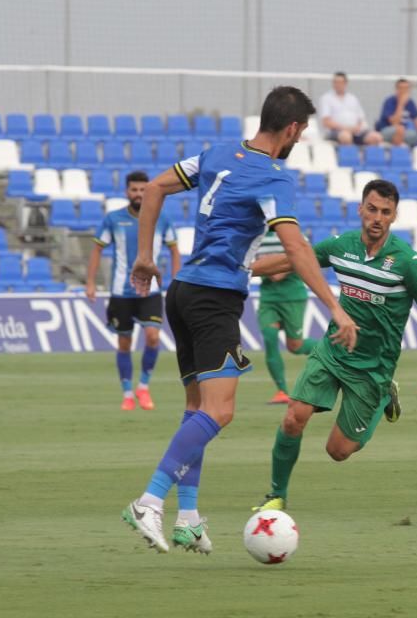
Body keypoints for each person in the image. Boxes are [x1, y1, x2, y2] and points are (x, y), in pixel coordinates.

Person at [120, 86, 358, 555]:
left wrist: (145, 257)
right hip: (214, 299)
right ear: (291, 129)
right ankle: (148, 501)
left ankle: (187, 517)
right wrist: (334, 306)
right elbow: (294, 247)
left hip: (183, 292)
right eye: (302, 131)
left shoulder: (216, 153)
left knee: (197, 410)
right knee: (220, 411)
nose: (299, 139)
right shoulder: (273, 177)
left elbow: (154, 190)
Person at [250, 179, 417, 512]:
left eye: (385, 212)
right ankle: (276, 495)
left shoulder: (406, 262)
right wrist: (244, 270)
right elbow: (294, 260)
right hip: (334, 351)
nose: (377, 217)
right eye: (371, 209)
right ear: (360, 209)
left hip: (374, 367)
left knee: (338, 451)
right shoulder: (341, 246)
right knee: (293, 417)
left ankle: (385, 394)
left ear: (394, 216)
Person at [86, 170, 180, 411]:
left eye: (142, 189)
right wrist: (90, 282)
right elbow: (97, 248)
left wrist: (176, 279)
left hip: (151, 291)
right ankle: (127, 393)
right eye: (134, 190)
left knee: (153, 336)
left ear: (148, 190)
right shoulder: (113, 219)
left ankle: (144, 387)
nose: (138, 194)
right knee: (124, 343)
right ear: (127, 192)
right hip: (121, 292)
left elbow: (174, 249)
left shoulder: (162, 218)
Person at [254, 229, 319, 405]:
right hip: (268, 297)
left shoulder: (296, 235)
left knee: (295, 346)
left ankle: (336, 350)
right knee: (269, 336)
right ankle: (282, 391)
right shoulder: (256, 236)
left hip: (293, 296)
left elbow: (305, 258)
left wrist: (273, 268)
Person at [319, 72, 382, 146]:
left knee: (376, 137)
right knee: (346, 136)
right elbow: (326, 122)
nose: (337, 85)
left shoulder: (353, 98)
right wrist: (345, 129)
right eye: (335, 82)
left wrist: (356, 128)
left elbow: (361, 119)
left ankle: (369, 157)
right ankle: (349, 157)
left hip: (355, 131)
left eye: (340, 82)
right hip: (336, 132)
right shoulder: (326, 98)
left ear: (345, 83)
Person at [375, 78, 417, 147]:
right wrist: (401, 104)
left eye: (406, 88)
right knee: (400, 129)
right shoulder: (389, 101)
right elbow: (394, 123)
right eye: (401, 88)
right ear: (396, 89)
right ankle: (398, 154)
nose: (403, 91)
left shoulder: (410, 103)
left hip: (404, 132)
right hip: (386, 131)